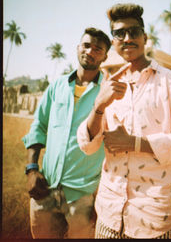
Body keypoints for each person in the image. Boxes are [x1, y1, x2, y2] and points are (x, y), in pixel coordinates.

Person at [77, 3, 171, 239]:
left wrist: (135, 143)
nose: (127, 38)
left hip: (153, 219)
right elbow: (88, 146)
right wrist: (99, 106)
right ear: (114, 41)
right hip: (108, 215)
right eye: (119, 33)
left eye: (134, 32)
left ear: (145, 37)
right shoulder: (109, 85)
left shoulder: (169, 82)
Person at [22, 27, 111, 238]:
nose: (90, 51)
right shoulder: (57, 87)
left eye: (98, 49)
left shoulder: (108, 92)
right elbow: (39, 126)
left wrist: (101, 195)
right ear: (78, 47)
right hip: (45, 188)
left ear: (105, 56)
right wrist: (32, 169)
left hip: (84, 196)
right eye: (86, 45)